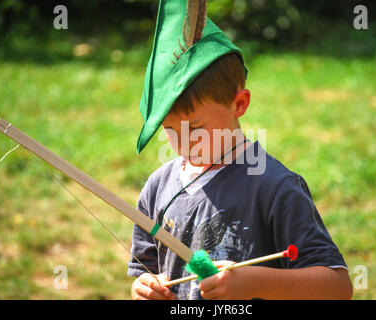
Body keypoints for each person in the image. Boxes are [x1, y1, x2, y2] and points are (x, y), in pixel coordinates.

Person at [128, 0, 352, 300]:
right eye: (169, 129)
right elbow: (146, 269)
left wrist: (255, 283)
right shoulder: (157, 188)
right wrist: (143, 286)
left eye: (195, 127)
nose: (182, 142)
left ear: (239, 104)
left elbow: (337, 287)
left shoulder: (274, 187)